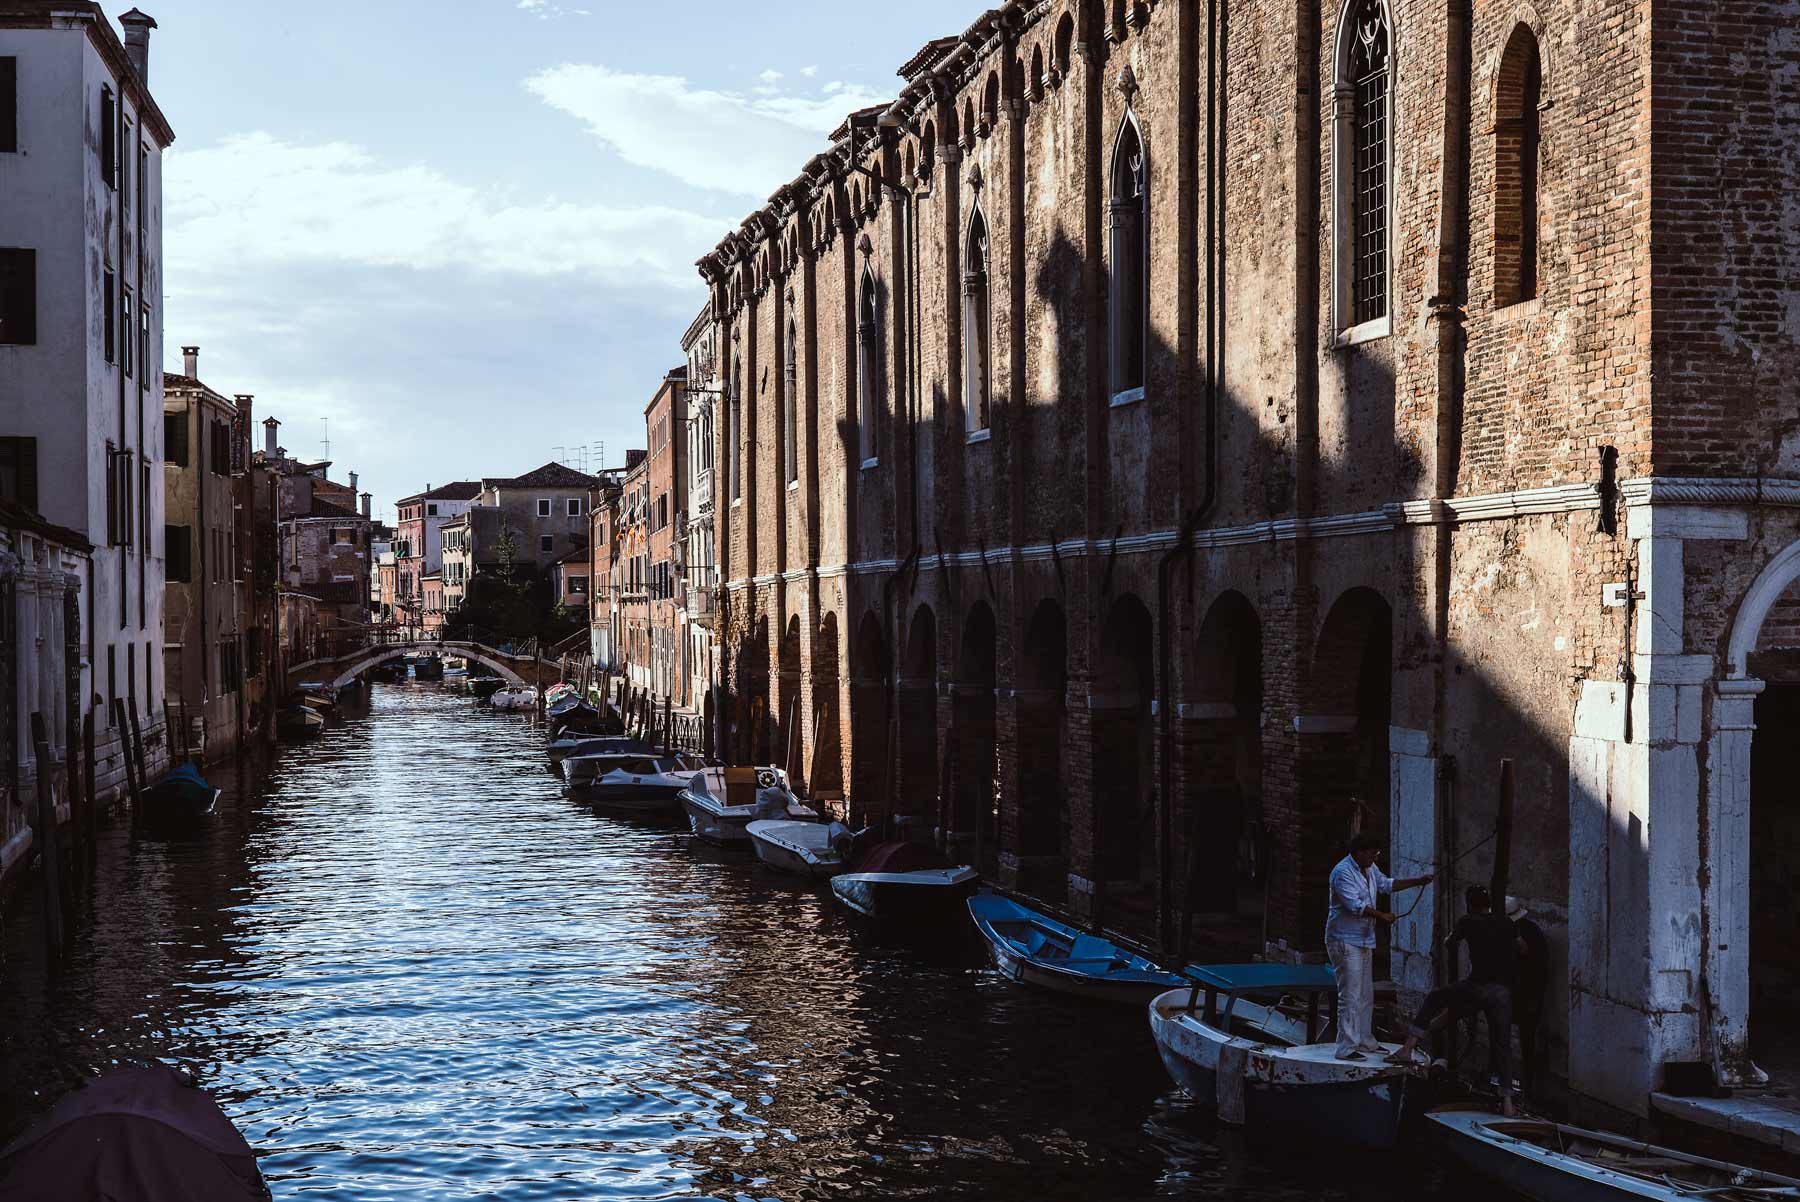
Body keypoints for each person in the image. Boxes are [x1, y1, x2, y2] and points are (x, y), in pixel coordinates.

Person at [1386, 885, 1523, 1115]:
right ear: (1488, 903)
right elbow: (1522, 948)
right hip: (1501, 992)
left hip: (1477, 986)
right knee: (1502, 1045)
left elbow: (1451, 942)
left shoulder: (1467, 921)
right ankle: (1508, 1104)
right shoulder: (1507, 922)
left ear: (1469, 904)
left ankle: (1408, 1047)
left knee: (1435, 997)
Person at [1325, 832, 1433, 1061]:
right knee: (1350, 994)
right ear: (1359, 853)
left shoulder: (1370, 868)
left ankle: (1364, 1040)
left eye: (1376, 854)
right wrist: (1381, 915)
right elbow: (1355, 905)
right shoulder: (1342, 872)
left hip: (1364, 939)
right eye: (1372, 854)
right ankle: (1345, 1046)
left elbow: (1386, 884)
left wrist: (1417, 881)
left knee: (1366, 993)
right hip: (1344, 940)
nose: (1375, 858)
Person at [1509, 895, 1549, 1094]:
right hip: (1525, 992)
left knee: (1526, 1038)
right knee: (1525, 1038)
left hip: (1527, 993)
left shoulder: (1524, 935)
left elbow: (1530, 960)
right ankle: (1523, 1085)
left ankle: (1527, 1086)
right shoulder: (1532, 930)